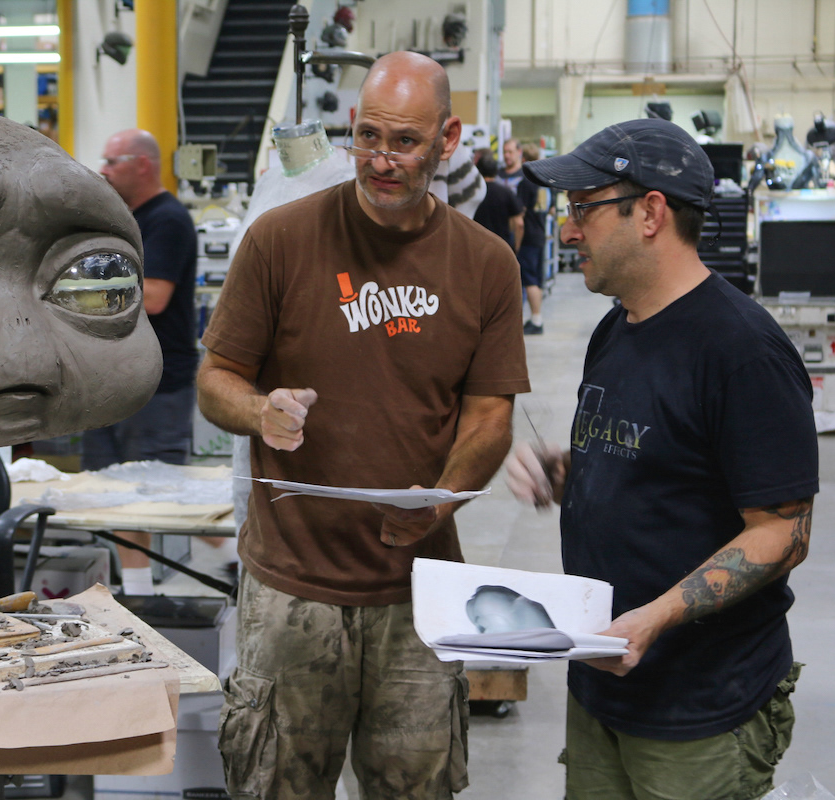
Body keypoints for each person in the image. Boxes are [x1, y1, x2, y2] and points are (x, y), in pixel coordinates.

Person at [198, 51, 531, 798]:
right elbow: (215, 381)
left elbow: (488, 419)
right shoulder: (280, 240)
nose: (382, 161)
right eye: (369, 136)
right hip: (291, 588)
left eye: (406, 143)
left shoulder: (485, 265)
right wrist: (260, 410)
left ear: (447, 141)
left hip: (416, 595)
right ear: (351, 126)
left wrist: (443, 498)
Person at [504, 118, 818, 800]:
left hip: (698, 707)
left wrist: (656, 616)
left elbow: (783, 532)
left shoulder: (742, 352)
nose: (567, 230)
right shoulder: (616, 328)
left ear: (650, 212)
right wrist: (571, 475)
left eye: (583, 209)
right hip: (604, 684)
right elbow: (653, 462)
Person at [83, 128, 199, 596]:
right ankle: (134, 593)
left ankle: (142, 596)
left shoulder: (166, 220)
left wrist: (84, 293)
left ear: (143, 165)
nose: (103, 171)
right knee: (110, 492)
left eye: (113, 162)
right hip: (111, 379)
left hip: (158, 381)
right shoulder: (123, 221)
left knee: (148, 494)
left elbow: (153, 297)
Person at [500, 138, 547, 334]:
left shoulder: (525, 183)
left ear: (523, 156)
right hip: (539, 233)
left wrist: (516, 243)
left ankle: (536, 321)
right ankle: (535, 318)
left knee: (529, 280)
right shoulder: (541, 181)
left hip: (527, 237)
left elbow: (519, 215)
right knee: (535, 278)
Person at [472, 148, 524, 250]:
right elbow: (519, 224)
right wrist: (516, 248)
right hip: (502, 248)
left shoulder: (472, 193)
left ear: (478, 170)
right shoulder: (506, 193)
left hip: (477, 247)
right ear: (496, 171)